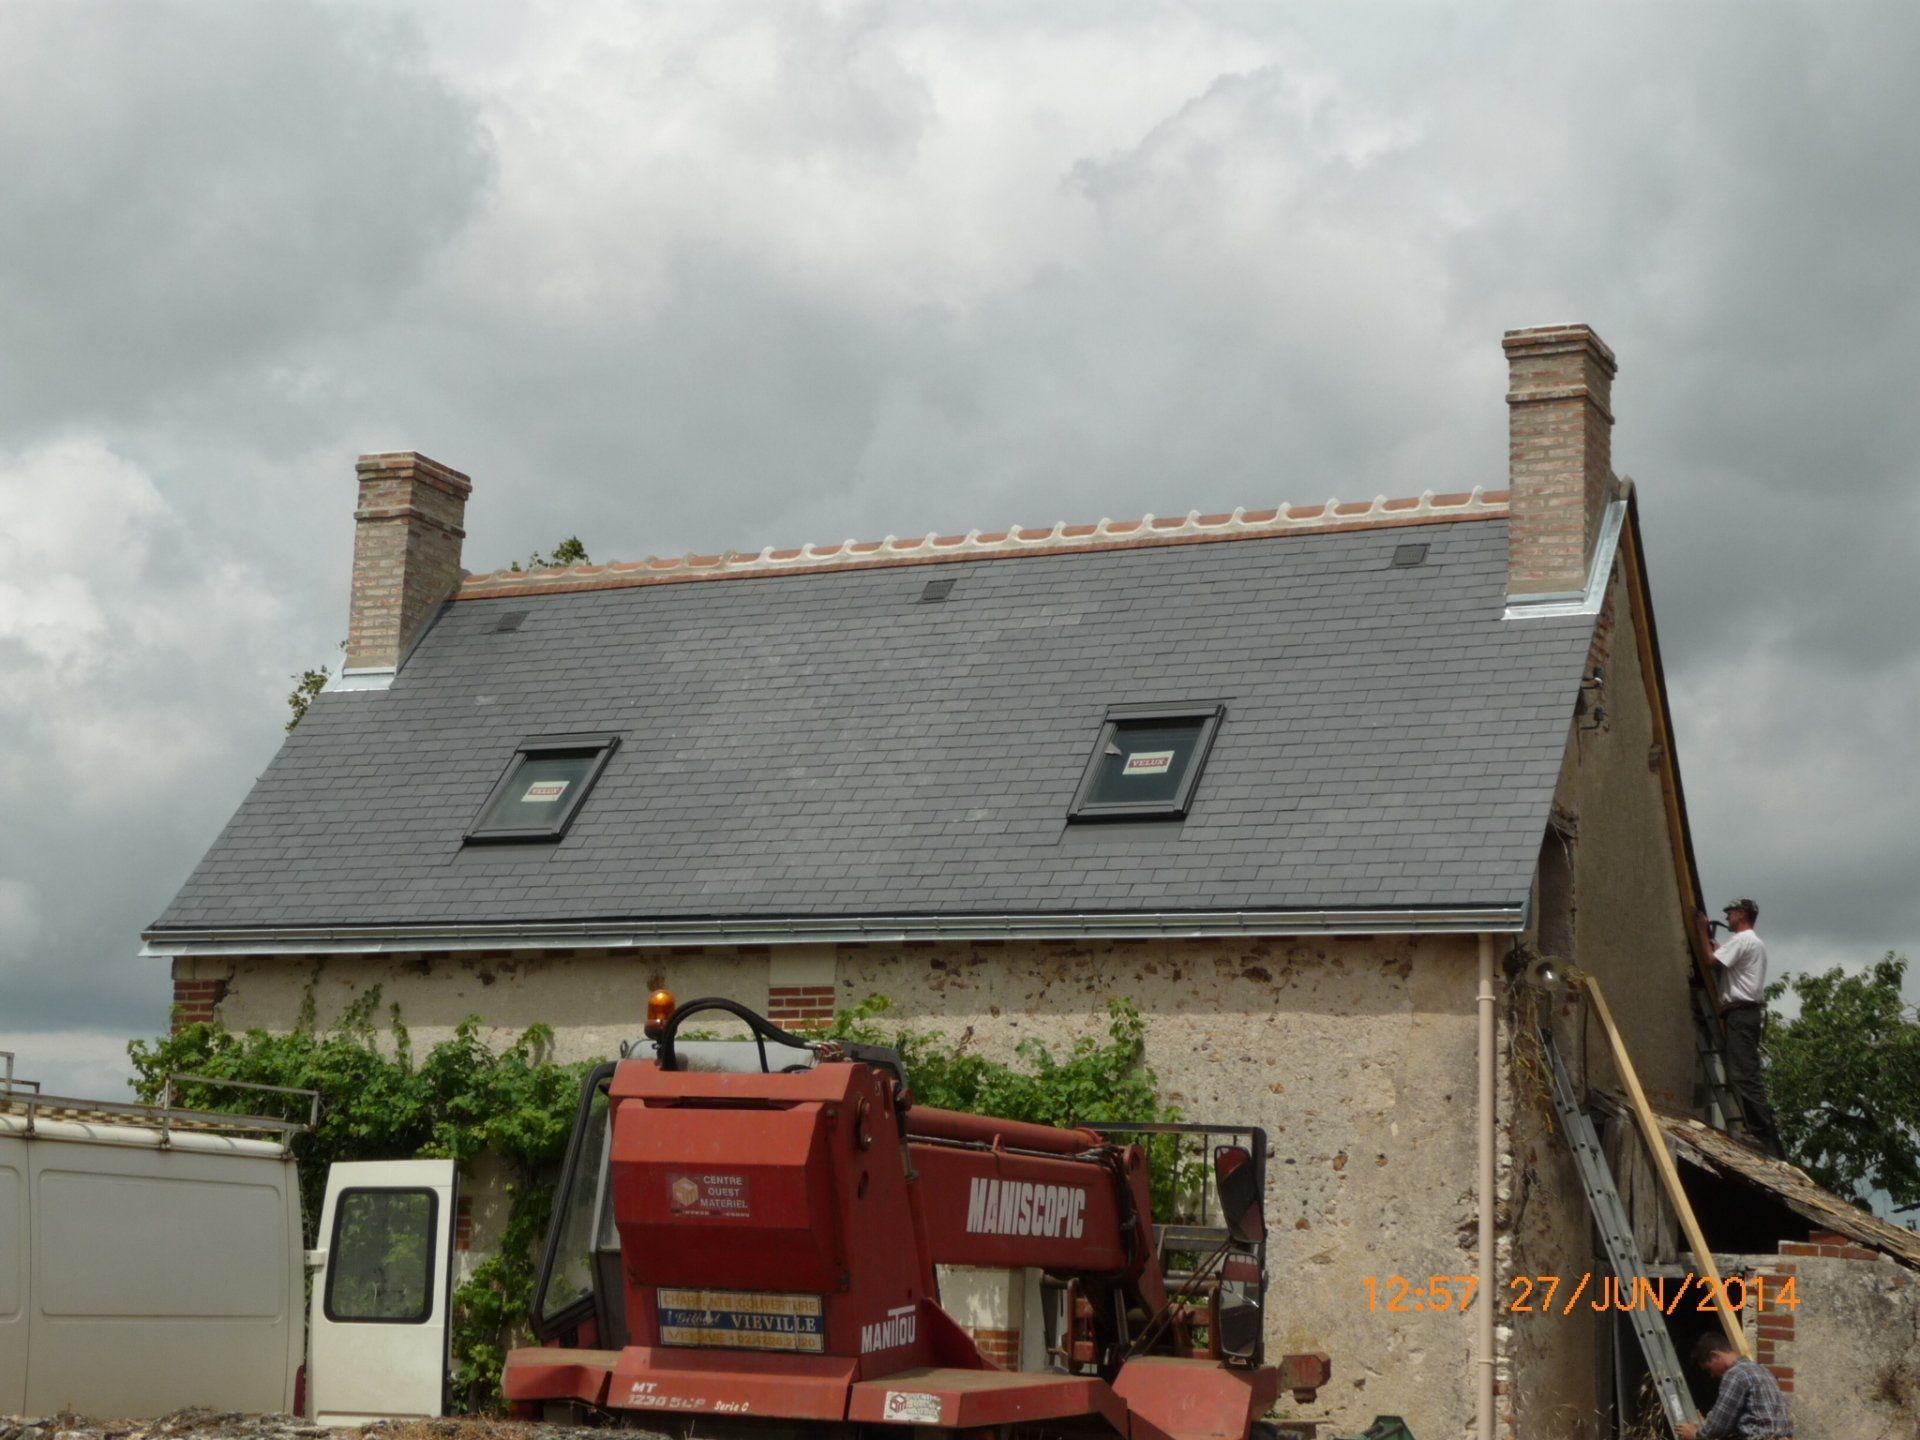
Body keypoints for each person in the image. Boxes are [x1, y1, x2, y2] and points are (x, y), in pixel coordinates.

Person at [1703, 897, 1781, 1153]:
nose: (1726, 918)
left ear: (1742, 915)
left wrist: (1702, 931)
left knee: (1745, 1076)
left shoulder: (1742, 940)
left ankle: (1763, 1137)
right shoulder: (1752, 943)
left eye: (1731, 913)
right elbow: (1723, 960)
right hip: (1747, 1015)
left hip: (1741, 1014)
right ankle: (1763, 1135)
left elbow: (1711, 961)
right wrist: (1716, 946)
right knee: (1746, 1074)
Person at [1676, 1329, 1792, 1438]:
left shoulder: (1735, 1375)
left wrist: (1695, 1434)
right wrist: (1706, 1424)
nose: (1712, 1375)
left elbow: (1718, 1426)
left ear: (1714, 1356)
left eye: (1709, 1369)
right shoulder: (1763, 1371)